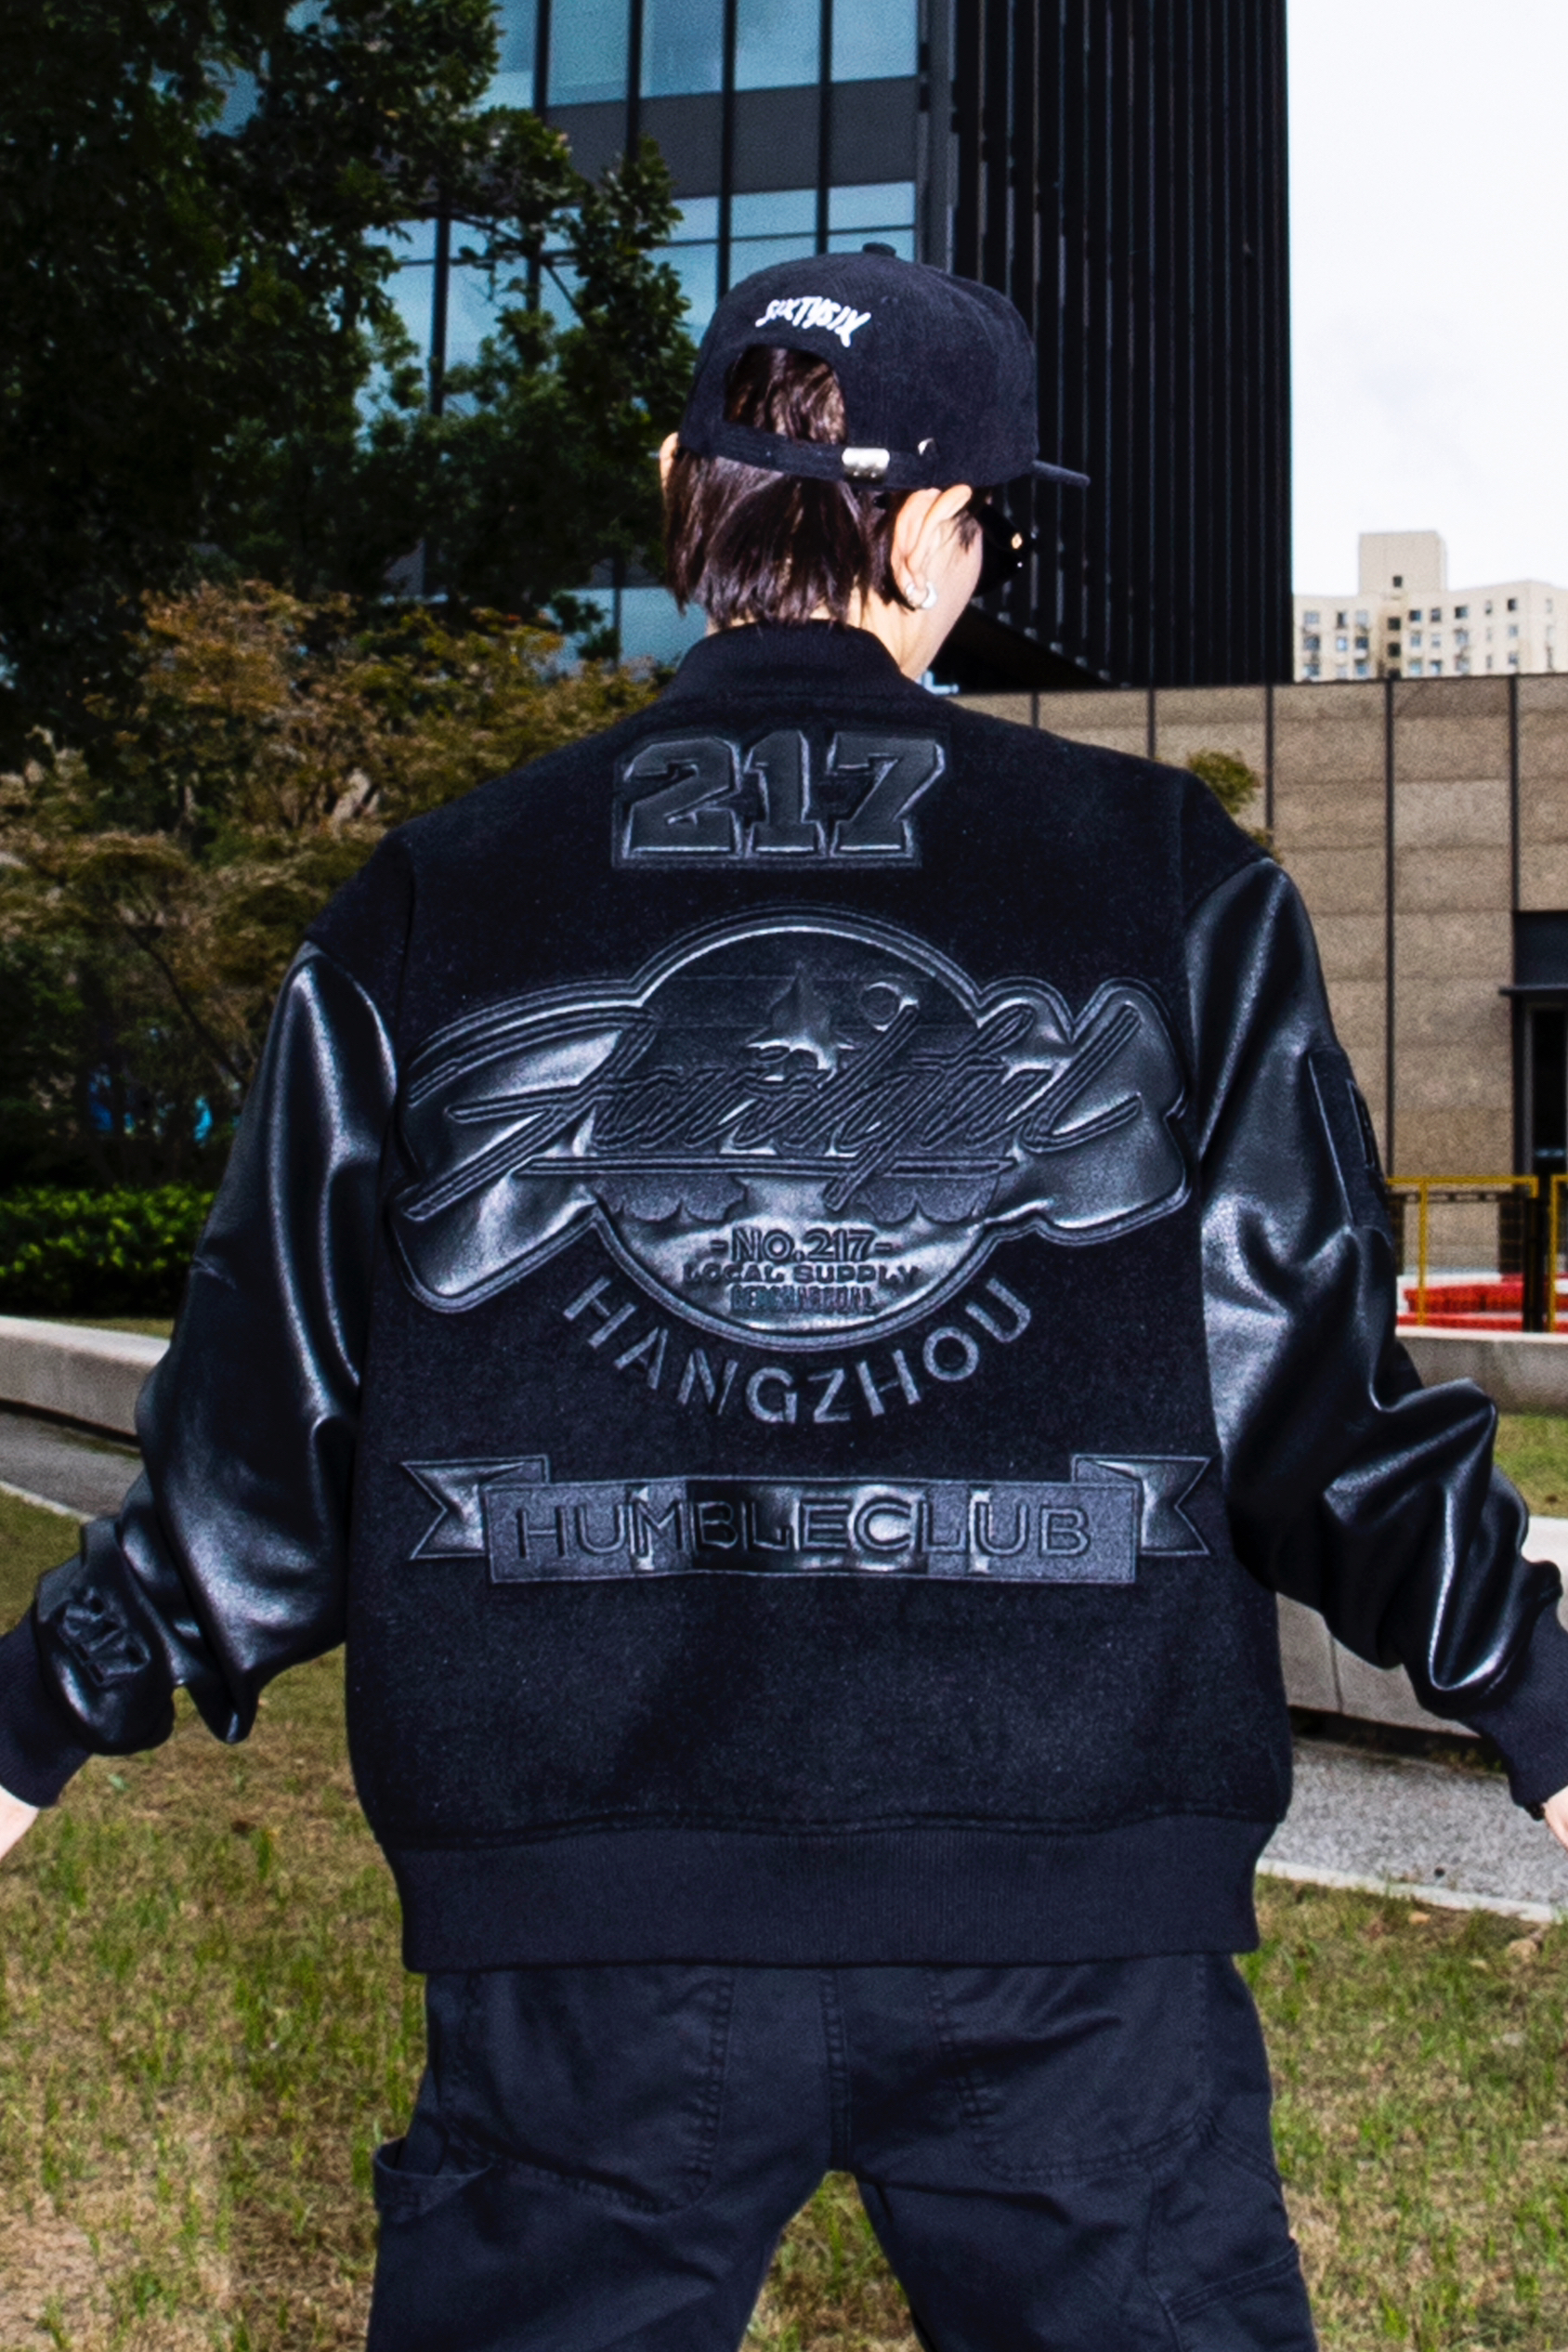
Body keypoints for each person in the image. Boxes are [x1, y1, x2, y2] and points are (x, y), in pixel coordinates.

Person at [2, 249, 1567, 2352]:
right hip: (1070, 1934)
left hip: (579, 1939)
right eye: (988, 531)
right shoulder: (1163, 872)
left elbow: (264, 1444)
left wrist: (37, 1719)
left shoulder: (442, 891)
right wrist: (1537, 1698)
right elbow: (1306, 1392)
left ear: (685, 495)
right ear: (930, 533)